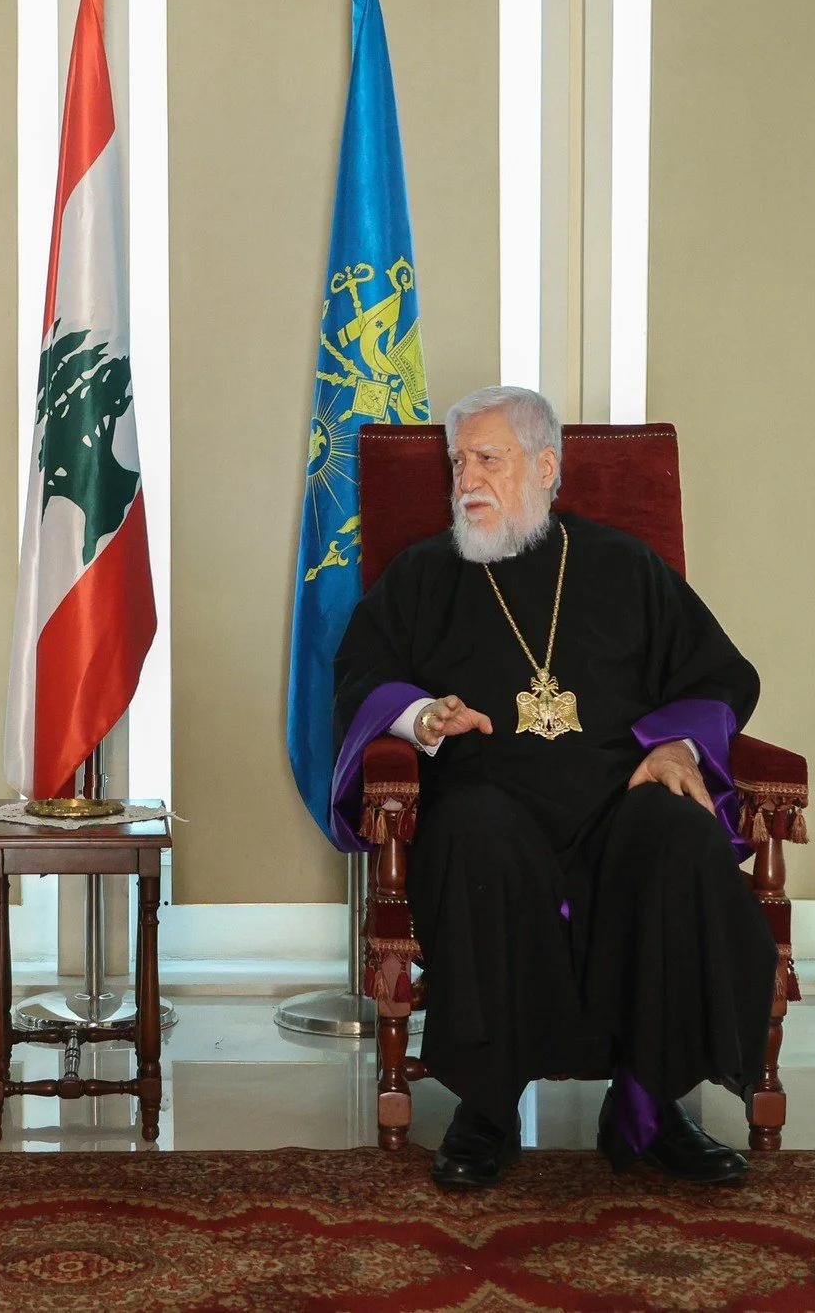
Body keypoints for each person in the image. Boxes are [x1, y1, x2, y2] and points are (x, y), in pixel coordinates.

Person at [330, 386, 775, 1190]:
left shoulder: (622, 564)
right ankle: (488, 1108)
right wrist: (424, 716)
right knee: (472, 834)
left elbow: (720, 672)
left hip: (617, 807)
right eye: (458, 460)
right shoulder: (426, 573)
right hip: (489, 809)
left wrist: (675, 742)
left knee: (680, 836)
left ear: (545, 466)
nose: (466, 475)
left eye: (487, 458)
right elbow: (362, 677)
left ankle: (649, 1102)